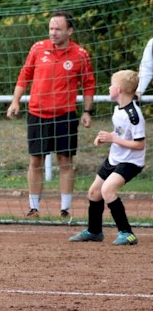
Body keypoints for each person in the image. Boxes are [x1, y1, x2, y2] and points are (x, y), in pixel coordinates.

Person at [6, 11, 96, 220]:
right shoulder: (38, 48)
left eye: (58, 29)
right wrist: (15, 101)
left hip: (65, 116)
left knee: (65, 161)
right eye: (51, 29)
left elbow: (89, 84)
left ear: (69, 31)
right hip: (37, 114)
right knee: (35, 161)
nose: (53, 33)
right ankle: (33, 207)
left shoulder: (80, 54)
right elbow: (25, 75)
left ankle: (65, 209)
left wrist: (87, 112)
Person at [70, 70, 144, 246]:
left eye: (111, 85)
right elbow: (120, 133)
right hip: (115, 159)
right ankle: (94, 231)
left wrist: (113, 139)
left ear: (118, 89)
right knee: (94, 193)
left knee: (107, 191)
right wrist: (106, 137)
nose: (109, 88)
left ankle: (127, 233)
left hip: (131, 162)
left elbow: (139, 144)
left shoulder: (134, 114)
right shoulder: (118, 109)